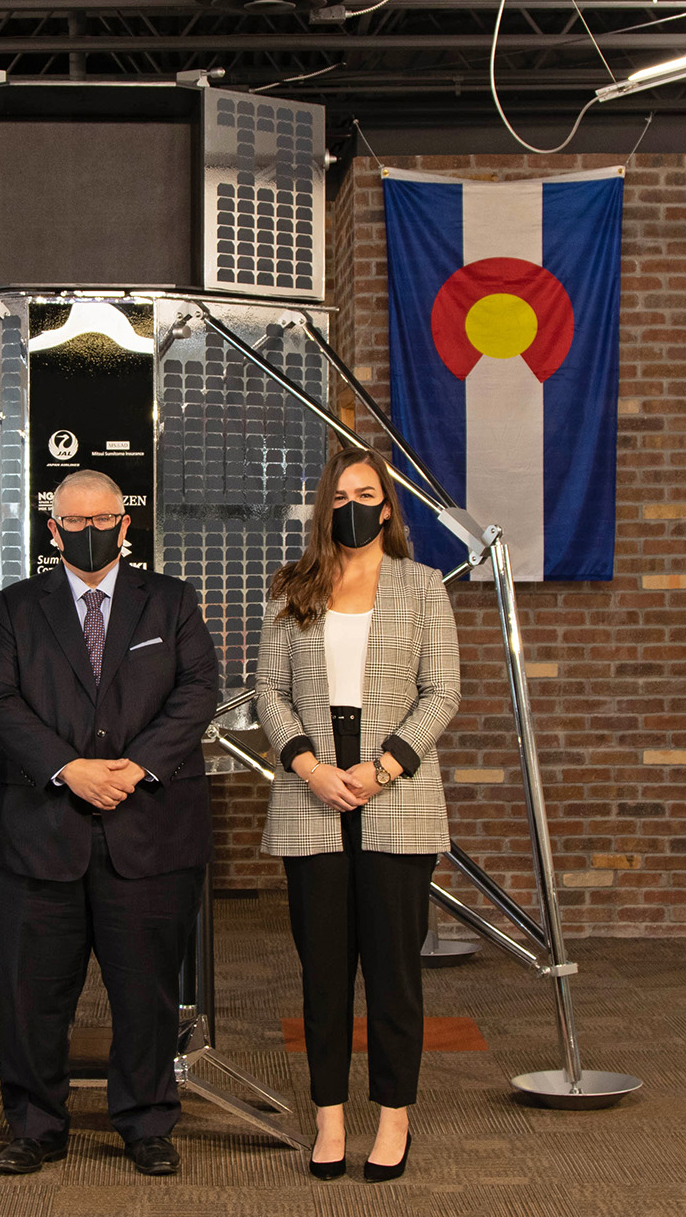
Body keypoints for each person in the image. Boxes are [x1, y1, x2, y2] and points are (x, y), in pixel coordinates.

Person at [0, 468, 219, 1177]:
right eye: (73, 522)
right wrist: (68, 767)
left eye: (101, 519)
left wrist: (134, 766)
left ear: (126, 523)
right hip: (41, 831)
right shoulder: (17, 605)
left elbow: (197, 688)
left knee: (144, 992)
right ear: (51, 530)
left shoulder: (171, 601)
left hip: (146, 829)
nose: (88, 532)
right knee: (31, 995)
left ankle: (145, 1121)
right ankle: (34, 1124)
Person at [255, 447, 460, 1184]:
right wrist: (310, 766)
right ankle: (329, 1116)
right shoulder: (292, 585)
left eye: (364, 492)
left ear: (385, 506)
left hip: (394, 791)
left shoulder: (421, 584)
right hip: (312, 790)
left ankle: (394, 1113)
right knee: (323, 971)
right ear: (324, 505)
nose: (351, 505)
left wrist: (378, 770)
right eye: (339, 493)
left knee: (393, 969)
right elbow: (268, 692)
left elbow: (440, 692)